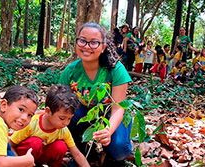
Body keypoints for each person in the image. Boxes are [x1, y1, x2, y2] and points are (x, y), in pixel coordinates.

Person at [59, 22, 133, 166]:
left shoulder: (115, 69)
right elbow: (60, 105)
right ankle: (85, 152)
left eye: (94, 43)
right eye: (82, 40)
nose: (86, 46)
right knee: (66, 112)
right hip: (85, 115)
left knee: (119, 150)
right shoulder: (70, 72)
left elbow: (118, 108)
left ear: (103, 46)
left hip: (111, 116)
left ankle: (112, 154)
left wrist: (108, 130)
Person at [9, 84, 90, 167]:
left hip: (43, 160)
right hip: (24, 160)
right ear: (48, 111)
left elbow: (76, 154)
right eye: (62, 118)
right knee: (35, 143)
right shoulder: (31, 124)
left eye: (69, 119)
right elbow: (11, 145)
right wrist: (18, 162)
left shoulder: (63, 130)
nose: (66, 123)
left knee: (60, 146)